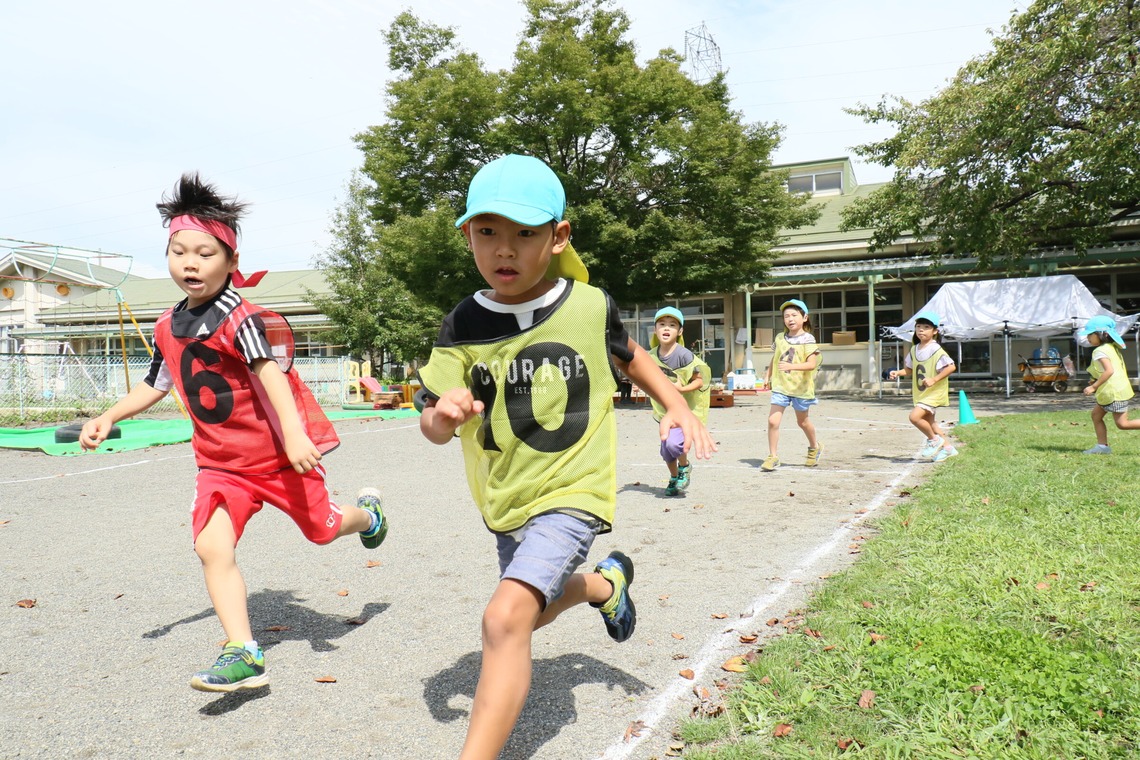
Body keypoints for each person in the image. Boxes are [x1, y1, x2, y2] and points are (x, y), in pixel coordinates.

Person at [416, 154, 716, 760]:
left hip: (573, 490)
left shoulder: (586, 303)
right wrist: (441, 418)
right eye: (488, 232)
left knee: (504, 620)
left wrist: (676, 405)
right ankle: (604, 586)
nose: (506, 249)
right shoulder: (462, 325)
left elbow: (630, 354)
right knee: (531, 614)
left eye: (525, 233)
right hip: (506, 497)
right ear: (467, 235)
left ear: (557, 238)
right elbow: (430, 422)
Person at [78, 173, 389, 692]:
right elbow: (157, 382)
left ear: (231, 261)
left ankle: (368, 514)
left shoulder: (240, 318)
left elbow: (274, 378)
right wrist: (111, 416)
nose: (190, 263)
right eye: (179, 252)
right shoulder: (164, 324)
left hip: (276, 458)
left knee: (324, 529)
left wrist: (293, 436)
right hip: (221, 465)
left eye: (205, 252)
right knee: (210, 547)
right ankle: (242, 650)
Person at [648, 306, 710, 495]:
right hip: (664, 412)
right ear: (656, 329)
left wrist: (682, 388)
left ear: (680, 331)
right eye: (662, 324)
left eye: (672, 325)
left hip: (684, 411)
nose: (666, 328)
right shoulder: (650, 356)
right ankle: (674, 478)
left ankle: (684, 467)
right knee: (666, 450)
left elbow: (701, 379)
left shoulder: (685, 356)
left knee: (675, 444)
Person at [759, 299, 822, 471]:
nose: (790, 319)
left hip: (800, 389)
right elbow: (776, 357)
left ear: (805, 317)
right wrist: (767, 375)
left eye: (794, 315)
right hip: (781, 387)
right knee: (773, 421)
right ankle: (773, 456)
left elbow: (811, 364)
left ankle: (814, 446)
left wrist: (791, 366)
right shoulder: (780, 337)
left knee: (802, 422)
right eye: (786, 316)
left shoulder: (808, 339)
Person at [888, 310, 958, 461]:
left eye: (926, 327)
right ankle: (948, 448)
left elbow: (951, 366)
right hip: (922, 392)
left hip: (933, 392)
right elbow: (910, 369)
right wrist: (898, 373)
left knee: (914, 417)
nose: (921, 330)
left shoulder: (935, 349)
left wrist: (934, 379)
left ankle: (934, 440)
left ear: (935, 331)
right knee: (931, 423)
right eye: (918, 326)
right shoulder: (914, 349)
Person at [1079, 315, 1140, 454]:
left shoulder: (1100, 351)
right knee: (1096, 415)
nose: (1087, 337)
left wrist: (1093, 387)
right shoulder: (1110, 347)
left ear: (1102, 334)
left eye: (1090, 334)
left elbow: (1109, 371)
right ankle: (1102, 447)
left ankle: (1102, 447)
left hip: (1114, 393)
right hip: (1114, 390)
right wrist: (1096, 380)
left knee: (1122, 424)